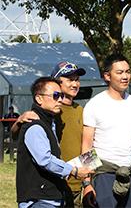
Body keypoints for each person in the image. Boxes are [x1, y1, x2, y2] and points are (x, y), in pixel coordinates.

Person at [12, 61, 86, 208]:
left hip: (72, 185)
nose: (75, 84)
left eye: (77, 80)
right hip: (47, 190)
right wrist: (18, 121)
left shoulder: (80, 110)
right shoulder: (40, 115)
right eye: (70, 79)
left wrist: (87, 179)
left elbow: (87, 145)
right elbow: (41, 156)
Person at [82, 54, 131, 207]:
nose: (125, 76)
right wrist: (87, 183)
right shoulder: (94, 105)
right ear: (107, 76)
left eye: (128, 72)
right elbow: (87, 146)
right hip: (104, 175)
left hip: (130, 175)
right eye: (119, 72)